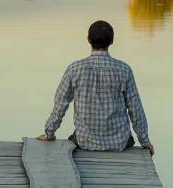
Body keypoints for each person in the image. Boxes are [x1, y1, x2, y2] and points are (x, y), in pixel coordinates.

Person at [36, 20, 154, 155]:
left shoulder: (74, 69)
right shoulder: (124, 70)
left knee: (73, 137)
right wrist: (145, 142)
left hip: (85, 142)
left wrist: (49, 133)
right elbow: (135, 108)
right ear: (112, 41)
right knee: (128, 137)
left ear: (88, 40)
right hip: (119, 143)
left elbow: (60, 104)